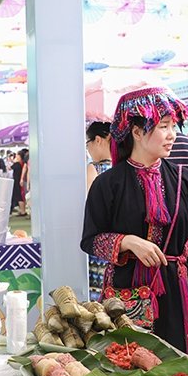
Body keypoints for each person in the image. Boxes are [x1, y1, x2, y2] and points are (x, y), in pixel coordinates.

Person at [82, 87, 188, 358]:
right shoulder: (107, 184)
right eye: (163, 126)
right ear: (136, 131)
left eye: (173, 126)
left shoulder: (183, 180)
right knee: (128, 366)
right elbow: (91, 239)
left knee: (181, 370)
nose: (172, 134)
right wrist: (127, 242)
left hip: (178, 290)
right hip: (127, 291)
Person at [85, 122, 113, 301]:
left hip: (101, 242)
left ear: (98, 140)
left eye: (88, 144)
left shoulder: (93, 169)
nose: (88, 149)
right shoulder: (124, 168)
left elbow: (91, 205)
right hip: (121, 241)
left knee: (97, 300)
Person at [10, 150, 26, 215]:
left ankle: (23, 211)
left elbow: (10, 167)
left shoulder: (18, 164)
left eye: (17, 155)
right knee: (20, 195)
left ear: (19, 156)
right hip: (19, 180)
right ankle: (22, 210)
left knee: (19, 195)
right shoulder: (21, 163)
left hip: (17, 181)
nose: (16, 156)